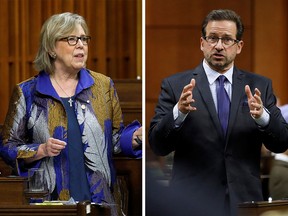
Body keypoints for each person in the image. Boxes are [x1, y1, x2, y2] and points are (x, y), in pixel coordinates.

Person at [148, 9, 288, 216]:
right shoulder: (176, 85)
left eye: (227, 40)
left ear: (239, 46)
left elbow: (282, 142)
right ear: (202, 43)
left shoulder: (259, 86)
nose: (219, 46)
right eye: (213, 38)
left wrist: (263, 118)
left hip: (244, 201)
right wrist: (178, 113)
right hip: (192, 202)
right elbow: (157, 145)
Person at [0, 12, 142, 215]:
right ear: (50, 48)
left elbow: (115, 140)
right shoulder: (27, 92)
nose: (81, 45)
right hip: (50, 202)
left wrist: (135, 137)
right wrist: (40, 149)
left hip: (99, 201)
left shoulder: (103, 86)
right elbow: (7, 147)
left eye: (84, 39)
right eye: (71, 39)